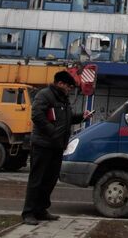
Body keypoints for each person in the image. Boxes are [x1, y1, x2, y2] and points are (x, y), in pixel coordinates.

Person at [21, 71, 92, 225]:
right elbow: (37, 115)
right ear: (60, 83)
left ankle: (41, 210)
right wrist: (52, 132)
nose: (70, 89)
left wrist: (82, 116)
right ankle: (28, 213)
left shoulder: (63, 99)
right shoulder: (45, 95)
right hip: (43, 145)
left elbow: (66, 120)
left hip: (57, 146)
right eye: (68, 86)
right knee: (37, 180)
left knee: (50, 179)